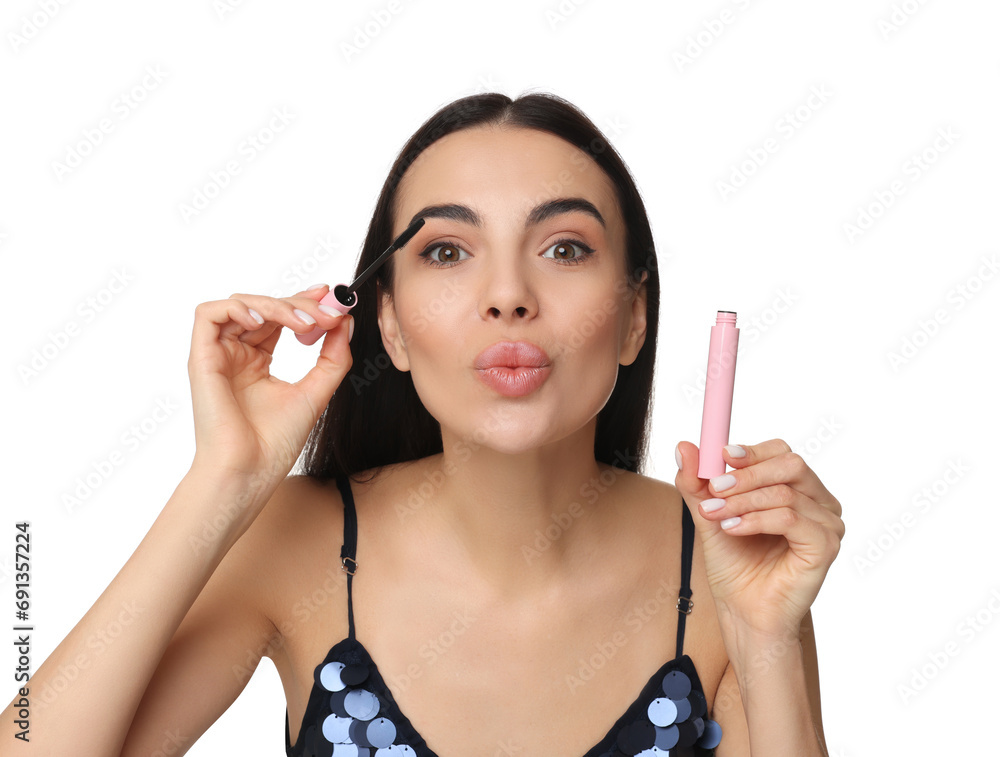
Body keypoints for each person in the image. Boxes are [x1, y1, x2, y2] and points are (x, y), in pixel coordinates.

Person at [3, 92, 844, 756]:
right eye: (447, 251)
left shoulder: (725, 564)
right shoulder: (298, 543)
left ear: (634, 319)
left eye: (564, 248)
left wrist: (764, 636)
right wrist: (223, 479)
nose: (507, 295)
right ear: (391, 326)